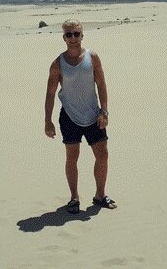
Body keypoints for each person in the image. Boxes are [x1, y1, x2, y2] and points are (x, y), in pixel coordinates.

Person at [45, 19, 117, 213]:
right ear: (63, 37)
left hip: (94, 115)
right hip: (69, 117)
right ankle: (74, 198)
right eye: (69, 34)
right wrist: (48, 121)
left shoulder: (92, 57)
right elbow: (50, 93)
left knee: (102, 155)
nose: (73, 38)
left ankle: (100, 195)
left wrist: (105, 111)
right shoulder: (57, 63)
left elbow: (101, 84)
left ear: (82, 35)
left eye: (76, 33)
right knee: (72, 158)